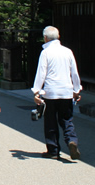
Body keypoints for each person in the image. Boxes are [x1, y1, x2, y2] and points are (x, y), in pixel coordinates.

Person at [31, 26, 82, 160]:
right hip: (66, 91)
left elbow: (41, 72)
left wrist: (36, 91)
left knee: (50, 121)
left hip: (51, 92)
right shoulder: (68, 51)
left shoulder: (46, 52)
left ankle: (53, 150)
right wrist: (76, 90)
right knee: (67, 119)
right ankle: (72, 140)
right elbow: (74, 72)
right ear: (58, 37)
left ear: (45, 38)